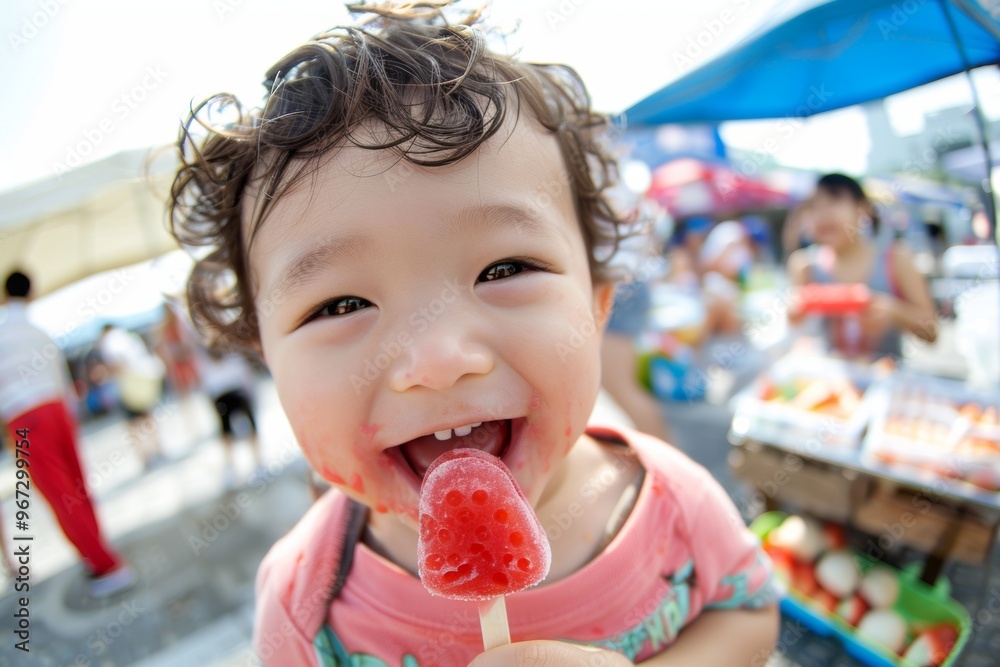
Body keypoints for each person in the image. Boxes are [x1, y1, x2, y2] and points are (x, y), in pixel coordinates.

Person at [169, 4, 780, 665]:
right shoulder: (305, 609)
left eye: (505, 268)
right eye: (340, 303)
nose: (438, 359)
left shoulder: (677, 504)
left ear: (598, 305)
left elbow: (747, 610)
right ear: (268, 362)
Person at [0, 271, 135, 598]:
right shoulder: (38, 332)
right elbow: (61, 379)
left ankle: (107, 566)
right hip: (58, 411)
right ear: (31, 294)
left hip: (26, 418)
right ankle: (99, 552)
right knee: (77, 488)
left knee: (61, 497)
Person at [787, 173, 938, 358]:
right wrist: (793, 313)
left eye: (833, 202)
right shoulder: (804, 266)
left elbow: (932, 333)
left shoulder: (897, 258)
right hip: (832, 380)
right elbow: (797, 328)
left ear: (862, 209)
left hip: (886, 379)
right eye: (814, 206)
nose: (822, 214)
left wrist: (895, 312)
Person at [97, 323, 166, 467]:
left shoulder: (109, 342)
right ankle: (157, 449)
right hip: (139, 384)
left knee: (134, 425)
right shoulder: (127, 337)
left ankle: (145, 457)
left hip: (126, 389)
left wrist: (107, 373)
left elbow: (117, 365)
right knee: (147, 419)